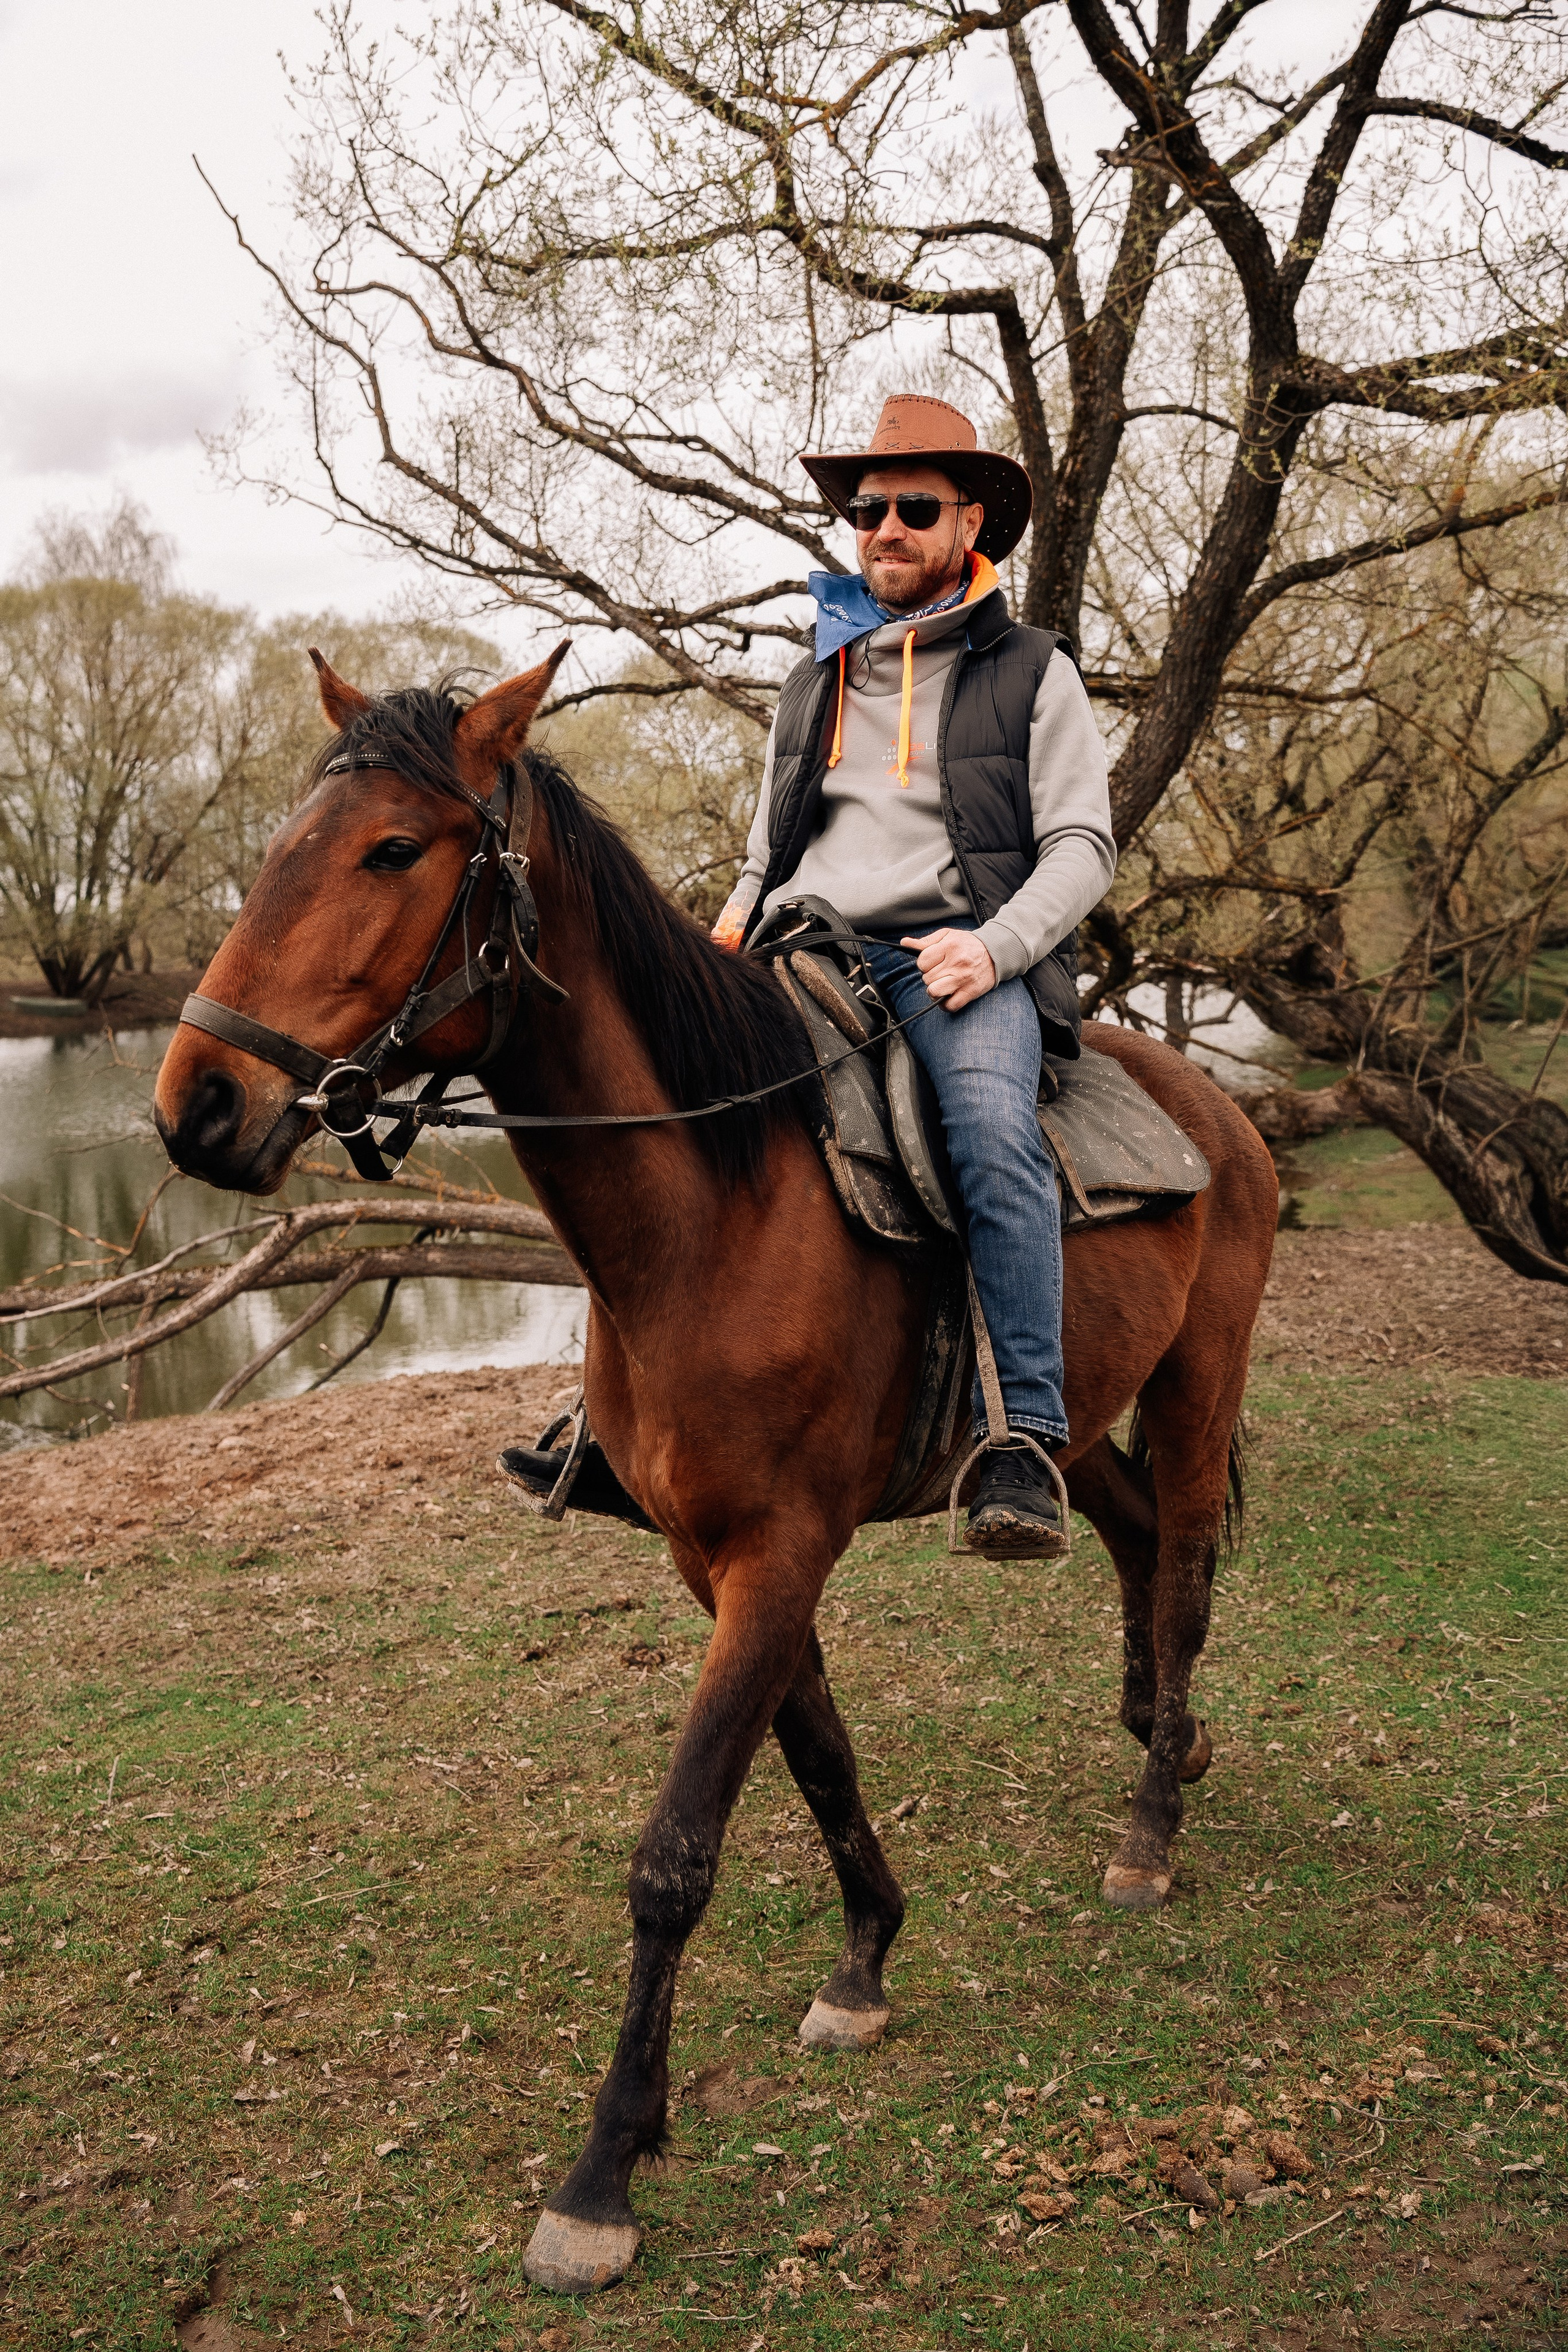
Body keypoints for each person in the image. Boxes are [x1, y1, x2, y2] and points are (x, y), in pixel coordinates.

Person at [712, 394, 1116, 1557]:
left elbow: (1083, 847)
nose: (884, 527)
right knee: (662, 1107)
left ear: (969, 521)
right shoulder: (815, 677)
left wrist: (994, 947)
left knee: (991, 1134)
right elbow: (768, 851)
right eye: (866, 508)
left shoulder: (1033, 670)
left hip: (953, 962)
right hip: (802, 949)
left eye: (914, 508)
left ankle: (1023, 1438)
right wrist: (729, 929)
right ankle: (613, 1418)